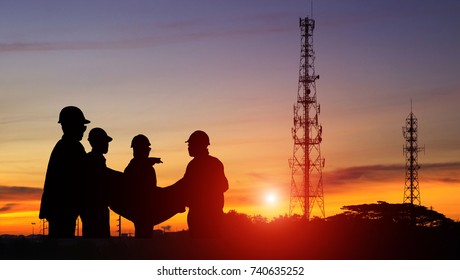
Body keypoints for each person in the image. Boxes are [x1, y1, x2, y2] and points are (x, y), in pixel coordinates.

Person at [39, 106, 90, 238]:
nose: (83, 131)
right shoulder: (71, 147)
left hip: (61, 209)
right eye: (82, 127)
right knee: (63, 246)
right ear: (70, 126)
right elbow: (82, 176)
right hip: (63, 209)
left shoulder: (65, 146)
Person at [175, 130, 229, 238]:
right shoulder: (212, 163)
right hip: (209, 216)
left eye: (191, 145)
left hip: (202, 217)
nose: (189, 148)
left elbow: (223, 186)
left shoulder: (195, 165)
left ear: (199, 145)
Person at [123, 134, 162, 238]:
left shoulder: (145, 167)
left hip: (147, 210)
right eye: (147, 148)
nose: (148, 151)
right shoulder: (135, 166)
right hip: (141, 210)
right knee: (143, 237)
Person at [80, 127, 113, 238]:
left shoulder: (95, 160)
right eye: (104, 142)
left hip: (96, 209)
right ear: (95, 142)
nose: (107, 145)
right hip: (95, 210)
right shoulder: (93, 161)